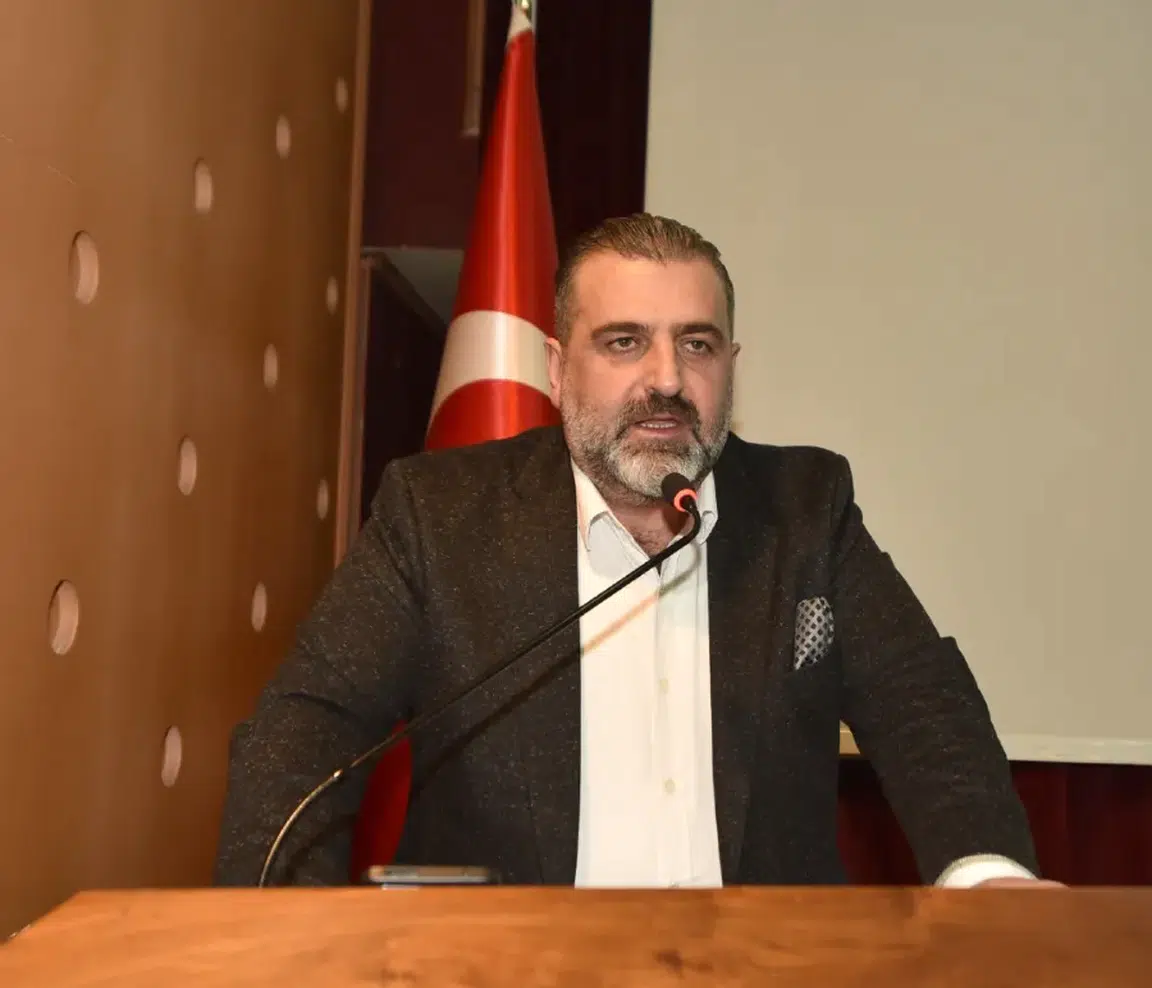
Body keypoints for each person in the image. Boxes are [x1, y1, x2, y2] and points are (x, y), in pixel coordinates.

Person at [214, 213, 1054, 890]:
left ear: (730, 366)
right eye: (624, 342)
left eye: (697, 344)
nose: (667, 379)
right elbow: (308, 726)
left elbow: (922, 703)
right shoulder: (440, 517)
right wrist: (285, 938)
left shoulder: (805, 509)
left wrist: (989, 879)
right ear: (557, 369)